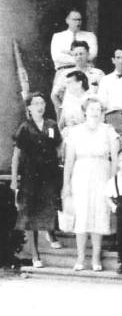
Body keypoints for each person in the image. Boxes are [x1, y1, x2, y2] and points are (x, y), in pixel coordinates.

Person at [62, 96, 119, 271]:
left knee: (99, 214)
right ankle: (80, 258)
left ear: (102, 112)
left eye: (98, 109)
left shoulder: (108, 130)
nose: (94, 112)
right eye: (91, 108)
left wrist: (112, 181)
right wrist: (66, 184)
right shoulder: (75, 131)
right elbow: (69, 160)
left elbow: (115, 159)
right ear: (85, 111)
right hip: (81, 173)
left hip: (102, 173)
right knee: (82, 214)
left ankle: (96, 258)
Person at [11, 92, 63, 266]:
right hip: (30, 176)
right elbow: (16, 155)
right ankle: (35, 254)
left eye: (42, 102)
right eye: (36, 103)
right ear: (29, 108)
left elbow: (58, 147)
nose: (40, 106)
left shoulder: (51, 125)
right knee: (31, 213)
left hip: (49, 175)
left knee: (50, 206)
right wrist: (13, 179)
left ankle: (51, 233)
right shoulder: (25, 127)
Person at [51, 41, 104, 118]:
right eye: (76, 54)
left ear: (88, 54)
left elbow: (104, 95)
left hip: (92, 115)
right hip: (72, 116)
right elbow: (54, 95)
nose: (79, 57)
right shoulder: (65, 74)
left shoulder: (98, 74)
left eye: (81, 54)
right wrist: (62, 110)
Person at [50, 9, 98, 76]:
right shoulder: (58, 37)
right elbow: (57, 57)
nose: (78, 22)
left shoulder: (90, 36)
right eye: (75, 20)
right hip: (64, 72)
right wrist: (81, 57)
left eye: (80, 20)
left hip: (85, 71)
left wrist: (69, 53)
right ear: (67, 20)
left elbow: (92, 55)